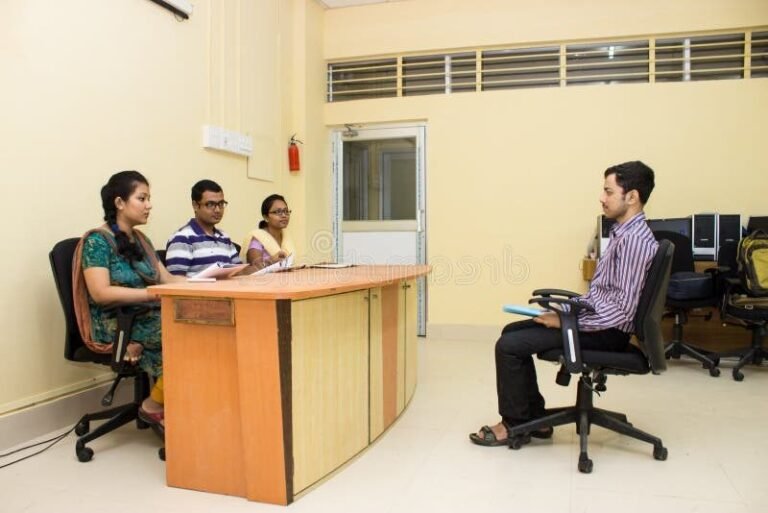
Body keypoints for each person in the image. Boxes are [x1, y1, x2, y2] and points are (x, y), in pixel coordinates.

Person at [470, 161, 658, 447]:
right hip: (600, 323)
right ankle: (533, 419)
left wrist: (568, 321)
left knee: (508, 347)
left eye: (609, 192)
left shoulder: (634, 241)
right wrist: (565, 311)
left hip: (609, 333)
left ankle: (515, 425)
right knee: (512, 332)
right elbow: (603, 295)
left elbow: (622, 310)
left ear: (631, 197)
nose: (602, 198)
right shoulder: (624, 234)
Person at [78, 170, 185, 427]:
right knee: (185, 332)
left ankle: (168, 401)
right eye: (142, 198)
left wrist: (210, 281)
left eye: (149, 198)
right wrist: (151, 294)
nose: (149, 205)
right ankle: (155, 404)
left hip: (144, 314)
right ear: (119, 203)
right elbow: (100, 293)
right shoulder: (97, 241)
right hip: (115, 322)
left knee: (193, 325)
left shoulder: (141, 240)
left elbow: (167, 279)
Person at [165, 179, 242, 276]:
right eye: (210, 204)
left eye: (221, 204)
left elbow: (239, 273)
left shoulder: (224, 237)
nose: (218, 210)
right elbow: (175, 283)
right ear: (195, 206)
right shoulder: (182, 238)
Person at [243, 194, 296, 268]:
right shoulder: (258, 238)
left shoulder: (286, 236)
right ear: (266, 217)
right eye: (278, 212)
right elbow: (254, 270)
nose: (284, 215)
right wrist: (271, 261)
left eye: (286, 211)